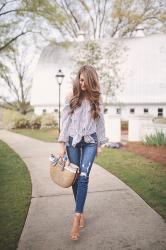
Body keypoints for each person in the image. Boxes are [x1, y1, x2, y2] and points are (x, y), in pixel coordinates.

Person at [57, 64, 108, 240]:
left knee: (84, 176)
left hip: (91, 141)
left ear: (91, 81)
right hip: (72, 140)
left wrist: (101, 143)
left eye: (85, 81)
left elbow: (100, 122)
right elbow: (64, 121)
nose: (82, 84)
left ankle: (76, 217)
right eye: (80, 80)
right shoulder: (72, 96)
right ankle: (81, 210)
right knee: (75, 176)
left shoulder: (97, 98)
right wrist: (62, 144)